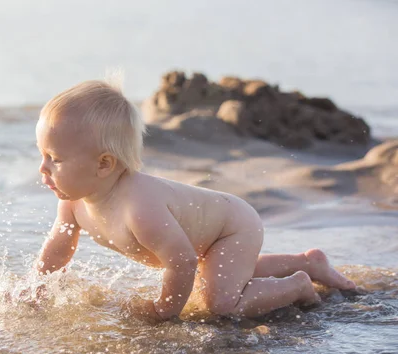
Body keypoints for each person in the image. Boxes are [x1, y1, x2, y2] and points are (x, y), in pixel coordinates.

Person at [33, 79, 356, 322]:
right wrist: (37, 287)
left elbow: (183, 261)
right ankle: (307, 263)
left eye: (54, 158)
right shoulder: (73, 203)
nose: (42, 168)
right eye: (42, 155)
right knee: (222, 273)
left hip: (230, 228)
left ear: (104, 164)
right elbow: (58, 248)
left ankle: (297, 285)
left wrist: (165, 310)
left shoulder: (139, 208)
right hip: (211, 230)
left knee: (220, 303)